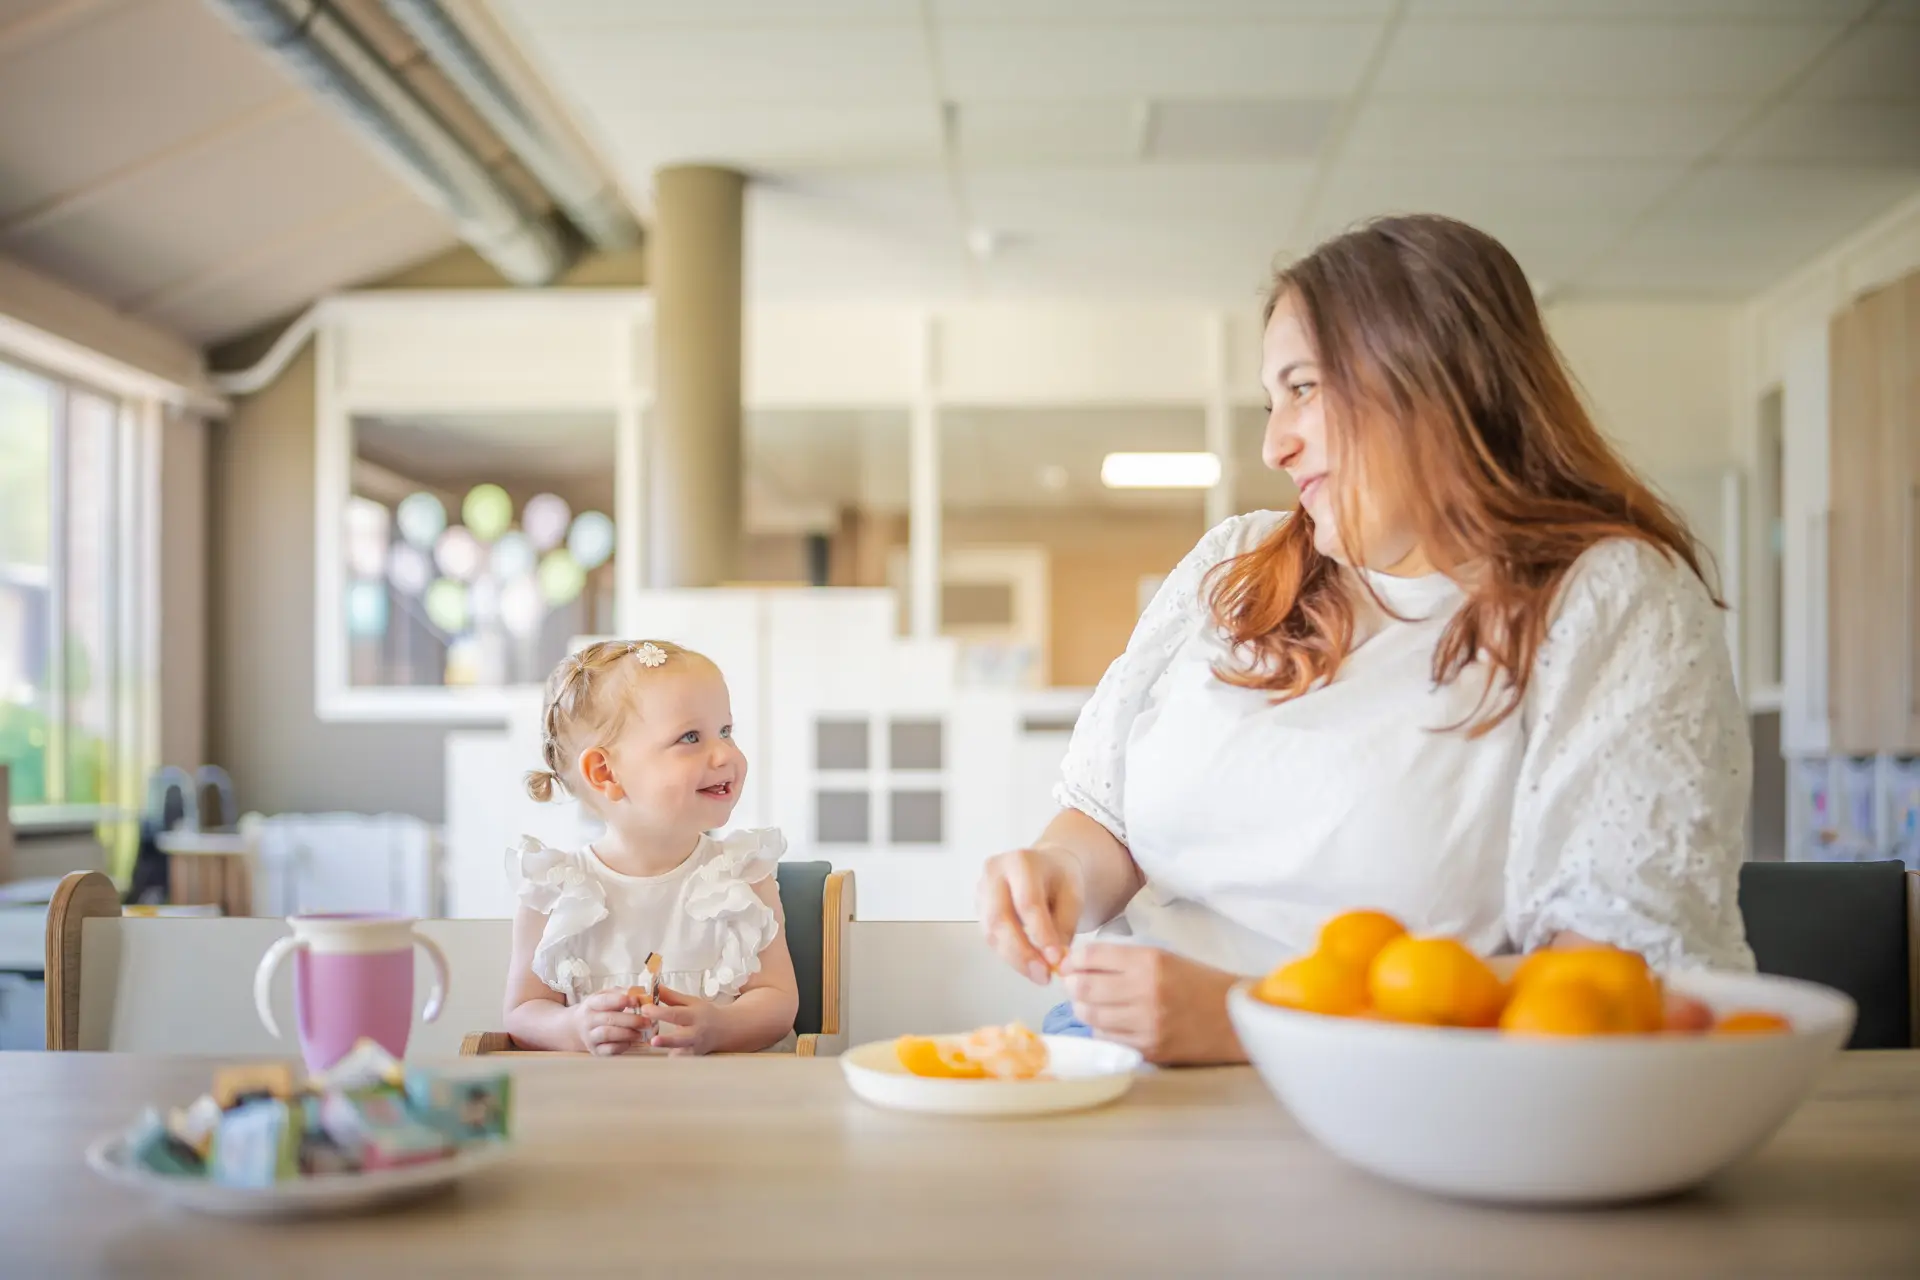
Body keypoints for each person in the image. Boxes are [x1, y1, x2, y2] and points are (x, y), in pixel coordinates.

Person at [977, 214, 1754, 1066]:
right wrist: (1059, 871)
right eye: (1272, 402)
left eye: (1304, 389)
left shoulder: (1607, 600)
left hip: (1409, 1093)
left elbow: (1610, 979)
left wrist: (1247, 1019)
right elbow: (1105, 816)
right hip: (1110, 1052)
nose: (1275, 444)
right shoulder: (1236, 563)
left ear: (1435, 380)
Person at [502, 639, 799, 1055]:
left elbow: (778, 1002)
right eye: (690, 737)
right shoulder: (554, 891)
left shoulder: (742, 878)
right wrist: (574, 1026)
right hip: (598, 1095)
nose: (724, 754)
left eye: (726, 731)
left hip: (723, 1091)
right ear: (605, 772)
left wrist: (722, 1026)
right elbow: (522, 1013)